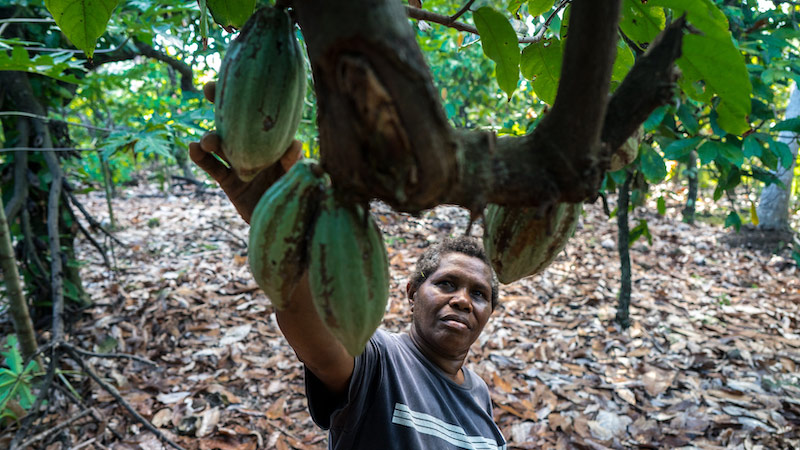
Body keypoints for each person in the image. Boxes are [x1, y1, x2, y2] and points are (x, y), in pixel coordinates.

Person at [189, 83, 507, 450]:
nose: (463, 300)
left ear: (489, 312)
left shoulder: (480, 395)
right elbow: (309, 326)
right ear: (411, 292)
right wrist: (280, 226)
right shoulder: (380, 359)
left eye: (479, 294)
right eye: (448, 284)